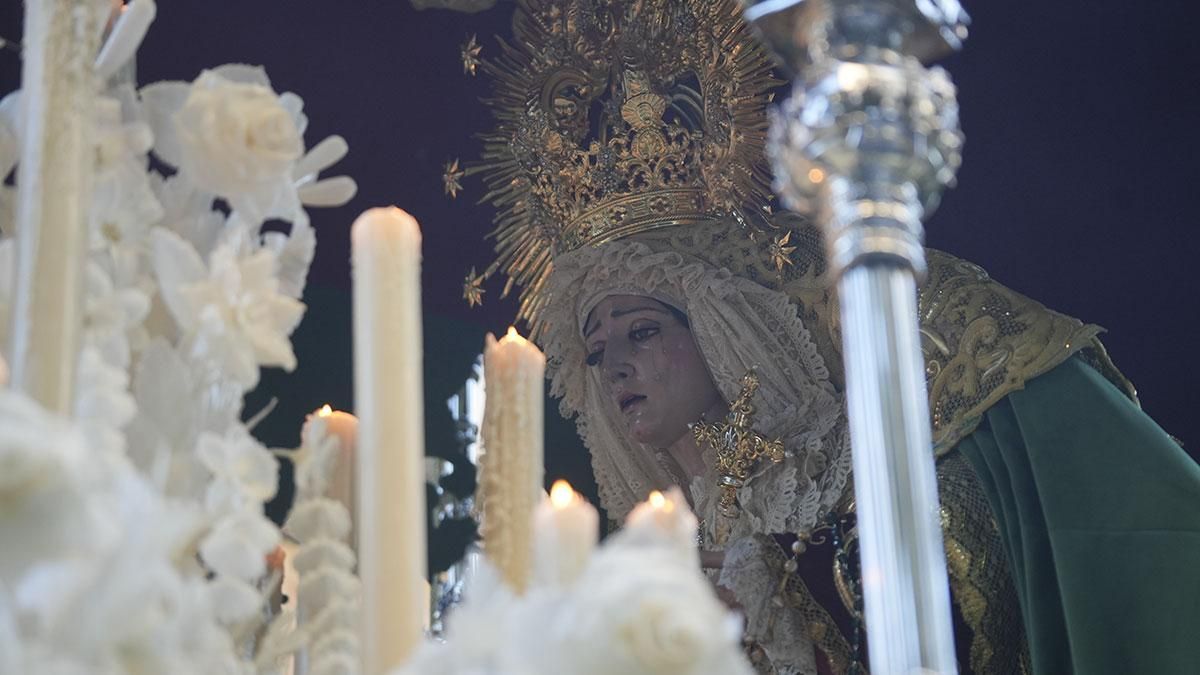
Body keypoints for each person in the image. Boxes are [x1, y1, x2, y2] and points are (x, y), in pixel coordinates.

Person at [457, 0, 1200, 672]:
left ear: (716, 331)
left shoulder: (831, 474)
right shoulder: (667, 542)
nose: (615, 366)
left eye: (642, 332)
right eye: (595, 353)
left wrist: (780, 585)